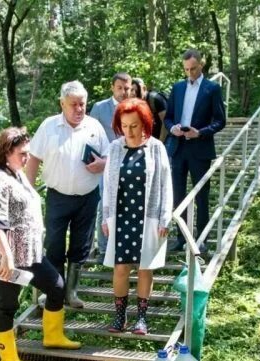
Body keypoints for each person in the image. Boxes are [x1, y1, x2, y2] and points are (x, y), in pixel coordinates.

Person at [0, 128, 81, 361]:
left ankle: (53, 336)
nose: (28, 158)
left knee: (57, 287)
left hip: (31, 253)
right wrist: (6, 256)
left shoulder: (17, 174)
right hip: (8, 258)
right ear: (6, 152)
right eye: (23, 153)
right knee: (7, 305)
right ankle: (8, 358)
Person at [26, 81, 109, 308]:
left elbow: (110, 158)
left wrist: (102, 163)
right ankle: (55, 290)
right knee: (53, 244)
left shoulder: (95, 126)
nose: (79, 109)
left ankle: (71, 292)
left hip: (87, 197)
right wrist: (29, 191)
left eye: (82, 104)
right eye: (74, 104)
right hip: (57, 196)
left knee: (81, 245)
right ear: (62, 103)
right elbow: (33, 158)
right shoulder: (49, 126)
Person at [101, 99, 172, 334]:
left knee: (144, 268)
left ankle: (141, 318)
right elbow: (107, 186)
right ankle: (119, 317)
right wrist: (105, 216)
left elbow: (165, 185)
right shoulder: (114, 148)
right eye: (124, 126)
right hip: (121, 217)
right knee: (120, 268)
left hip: (148, 216)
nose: (129, 131)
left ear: (144, 123)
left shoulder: (156, 148)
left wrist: (165, 217)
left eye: (134, 126)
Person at [163, 49, 226, 253]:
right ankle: (181, 238)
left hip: (200, 148)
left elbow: (220, 120)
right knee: (178, 195)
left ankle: (202, 239)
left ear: (201, 65)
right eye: (186, 70)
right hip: (179, 148)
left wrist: (200, 133)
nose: (190, 73)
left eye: (193, 69)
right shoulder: (178, 87)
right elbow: (168, 117)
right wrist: (173, 128)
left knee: (201, 196)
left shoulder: (212, 88)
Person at [90, 73, 132, 262]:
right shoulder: (99, 108)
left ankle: (124, 246)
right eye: (120, 88)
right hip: (105, 165)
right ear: (112, 88)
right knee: (104, 205)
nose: (124, 91)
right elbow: (89, 136)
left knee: (127, 205)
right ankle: (104, 249)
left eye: (127, 88)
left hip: (131, 164)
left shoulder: (134, 108)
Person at [131, 78, 168, 142]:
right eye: (131, 91)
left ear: (144, 88)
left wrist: (160, 142)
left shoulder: (155, 99)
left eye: (137, 91)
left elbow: (165, 122)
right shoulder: (134, 102)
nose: (134, 94)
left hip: (165, 138)